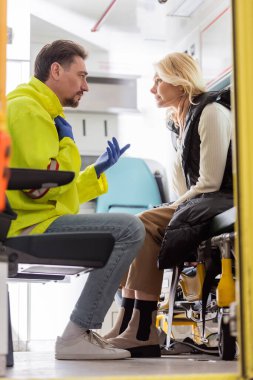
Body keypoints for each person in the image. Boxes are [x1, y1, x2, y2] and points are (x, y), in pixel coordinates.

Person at [7, 40, 145, 360]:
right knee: (129, 229)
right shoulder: (29, 109)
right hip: (27, 225)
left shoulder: (37, 109)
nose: (86, 86)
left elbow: (54, 190)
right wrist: (68, 142)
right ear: (56, 70)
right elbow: (40, 187)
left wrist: (95, 170)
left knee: (126, 227)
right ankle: (75, 335)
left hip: (34, 218)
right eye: (81, 76)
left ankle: (80, 333)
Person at [104, 52, 232, 358]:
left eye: (158, 79)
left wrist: (170, 208)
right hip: (201, 200)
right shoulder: (179, 122)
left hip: (221, 200)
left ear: (180, 80)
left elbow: (210, 182)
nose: (152, 88)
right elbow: (184, 187)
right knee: (132, 226)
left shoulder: (211, 111)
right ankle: (129, 323)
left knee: (142, 223)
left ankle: (142, 330)